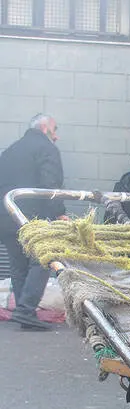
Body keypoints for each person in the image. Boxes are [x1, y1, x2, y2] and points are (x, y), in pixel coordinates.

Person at [0, 114, 65, 331]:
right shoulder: (46, 148)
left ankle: (23, 311)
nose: (56, 136)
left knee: (19, 266)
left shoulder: (10, 151)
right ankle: (26, 309)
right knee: (43, 259)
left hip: (6, 217)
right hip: (31, 218)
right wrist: (59, 213)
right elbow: (50, 184)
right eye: (54, 130)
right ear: (45, 128)